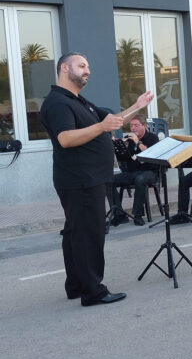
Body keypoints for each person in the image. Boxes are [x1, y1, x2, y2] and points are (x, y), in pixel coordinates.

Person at [40, 52, 153, 306]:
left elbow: (114, 121)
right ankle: (93, 291)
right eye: (82, 66)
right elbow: (65, 138)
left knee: (75, 233)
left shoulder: (79, 101)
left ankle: (76, 285)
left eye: (88, 66)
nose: (87, 70)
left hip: (86, 179)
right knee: (89, 234)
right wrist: (101, 128)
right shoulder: (58, 102)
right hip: (80, 179)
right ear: (64, 68)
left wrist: (137, 106)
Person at [109, 114, 159, 227]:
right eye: (131, 126)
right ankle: (119, 215)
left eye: (136, 125)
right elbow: (124, 158)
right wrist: (121, 145)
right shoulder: (129, 139)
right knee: (108, 180)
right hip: (132, 172)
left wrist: (138, 142)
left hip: (150, 172)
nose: (133, 128)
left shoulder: (153, 138)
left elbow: (151, 156)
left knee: (140, 180)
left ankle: (138, 215)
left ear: (144, 125)